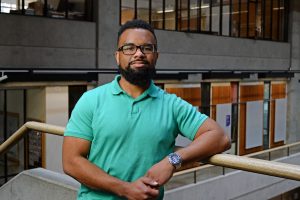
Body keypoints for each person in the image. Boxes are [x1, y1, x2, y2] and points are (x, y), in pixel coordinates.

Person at [63, 19, 231, 200]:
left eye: (147, 48)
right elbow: (71, 162)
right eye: (129, 48)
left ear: (156, 56)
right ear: (117, 56)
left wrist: (172, 161)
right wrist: (124, 189)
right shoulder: (91, 100)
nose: (138, 54)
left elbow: (220, 137)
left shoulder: (171, 104)